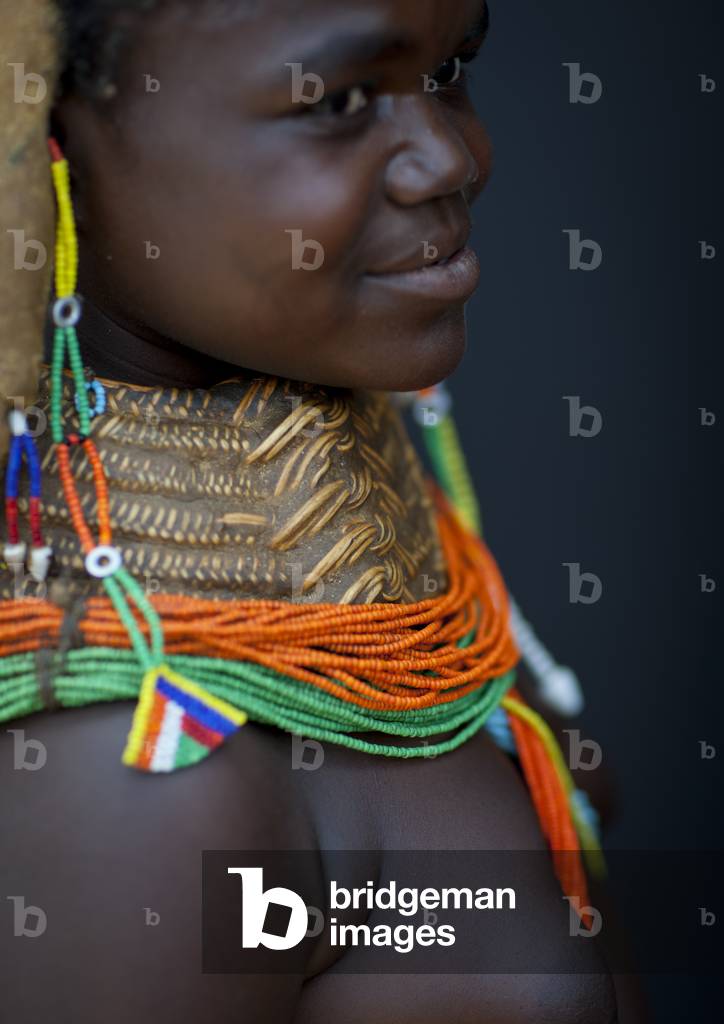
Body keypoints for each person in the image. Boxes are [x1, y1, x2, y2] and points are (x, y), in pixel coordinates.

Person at [0, 1, 627, 1020]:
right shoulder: (134, 772)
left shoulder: (400, 566)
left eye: (451, 67)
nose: (451, 155)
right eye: (336, 100)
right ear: (50, 134)